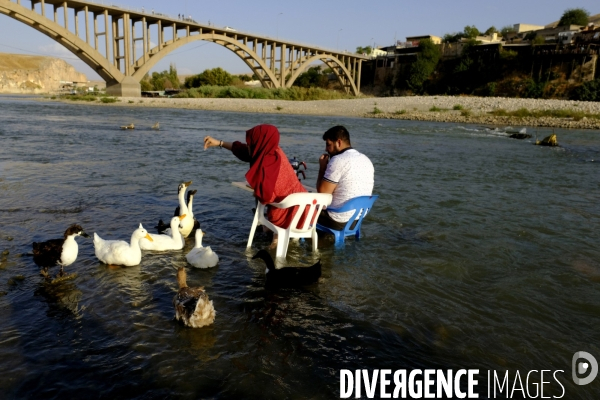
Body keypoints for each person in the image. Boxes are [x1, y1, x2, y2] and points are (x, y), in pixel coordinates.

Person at [204, 124, 307, 247]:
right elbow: (244, 151)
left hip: (287, 215)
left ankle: (272, 240)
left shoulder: (267, 164)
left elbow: (265, 196)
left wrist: (256, 190)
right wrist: (219, 143)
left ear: (259, 143)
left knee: (264, 220)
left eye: (251, 142)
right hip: (304, 212)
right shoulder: (274, 151)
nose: (248, 145)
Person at [316, 125, 374, 230]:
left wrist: (322, 168)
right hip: (357, 221)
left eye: (328, 145)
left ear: (338, 142)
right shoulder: (366, 159)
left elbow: (322, 194)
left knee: (299, 208)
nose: (326, 149)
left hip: (338, 221)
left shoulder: (338, 160)